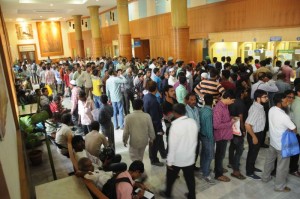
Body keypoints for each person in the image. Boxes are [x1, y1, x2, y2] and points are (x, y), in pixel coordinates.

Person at [159, 103, 198, 199]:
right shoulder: (192, 122)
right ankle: (192, 196)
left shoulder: (175, 126)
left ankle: (168, 193)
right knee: (190, 179)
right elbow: (194, 140)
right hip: (189, 158)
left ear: (175, 113)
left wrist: (169, 162)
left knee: (170, 177)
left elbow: (172, 147)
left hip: (177, 159)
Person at [262, 93, 296, 192]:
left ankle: (265, 178)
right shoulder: (284, 116)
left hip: (272, 141)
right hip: (282, 145)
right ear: (280, 101)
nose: (287, 102)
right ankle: (279, 186)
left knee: (269, 161)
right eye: (286, 100)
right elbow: (294, 129)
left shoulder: (271, 109)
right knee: (282, 167)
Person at [245, 89, 268, 179]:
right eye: (264, 97)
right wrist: (254, 137)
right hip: (255, 134)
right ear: (258, 98)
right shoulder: (256, 109)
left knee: (254, 152)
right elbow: (247, 125)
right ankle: (249, 172)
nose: (267, 98)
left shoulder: (259, 106)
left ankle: (252, 167)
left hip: (259, 133)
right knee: (252, 153)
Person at [213, 90, 236, 182]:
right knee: (219, 155)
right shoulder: (219, 108)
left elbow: (224, 119)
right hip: (221, 135)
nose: (233, 102)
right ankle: (218, 174)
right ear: (228, 98)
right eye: (232, 100)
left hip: (225, 134)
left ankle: (218, 168)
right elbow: (216, 125)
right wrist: (230, 123)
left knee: (221, 154)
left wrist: (231, 118)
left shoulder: (225, 106)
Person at [143, 81, 166, 166]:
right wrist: (159, 128)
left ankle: (163, 154)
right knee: (154, 142)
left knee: (159, 141)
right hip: (154, 125)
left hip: (149, 123)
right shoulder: (153, 101)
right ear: (156, 88)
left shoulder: (146, 97)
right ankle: (154, 160)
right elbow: (155, 117)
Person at [228, 88, 248, 180]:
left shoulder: (232, 102)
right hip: (238, 128)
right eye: (245, 91)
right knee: (239, 150)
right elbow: (241, 117)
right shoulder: (241, 103)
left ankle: (231, 162)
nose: (246, 93)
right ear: (242, 93)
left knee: (232, 145)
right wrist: (243, 129)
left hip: (231, 126)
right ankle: (236, 170)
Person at [199, 94, 215, 184]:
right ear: (212, 101)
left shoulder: (201, 110)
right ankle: (206, 173)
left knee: (203, 153)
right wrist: (212, 140)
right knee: (209, 155)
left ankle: (202, 168)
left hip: (202, 134)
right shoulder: (210, 113)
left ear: (204, 100)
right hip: (207, 137)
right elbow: (209, 129)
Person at [185, 93, 201, 170]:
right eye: (191, 100)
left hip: (197, 134)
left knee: (196, 151)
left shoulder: (196, 109)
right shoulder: (185, 111)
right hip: (190, 136)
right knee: (190, 152)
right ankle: (189, 168)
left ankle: (193, 166)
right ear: (187, 101)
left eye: (194, 99)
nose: (193, 101)